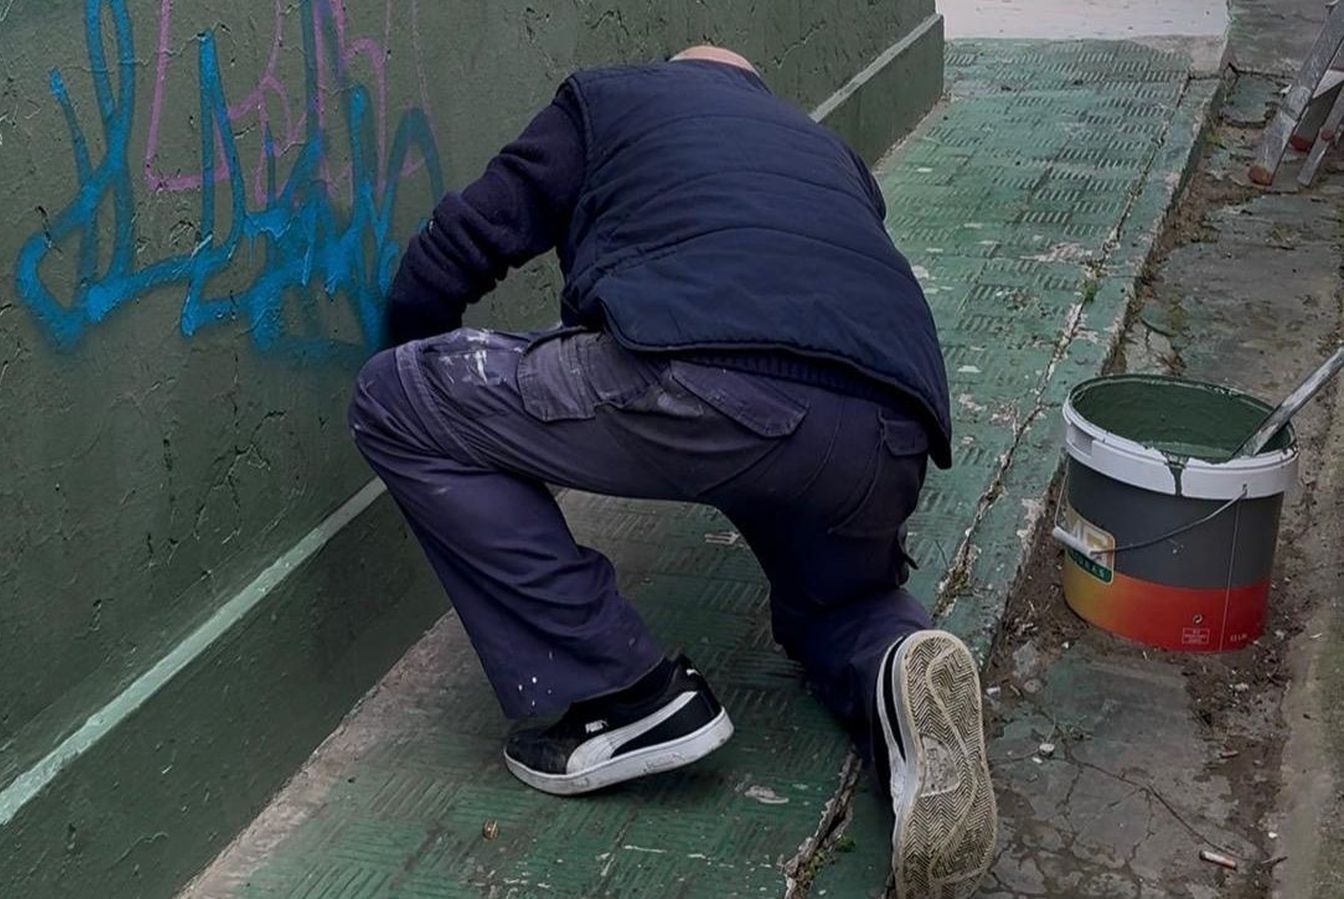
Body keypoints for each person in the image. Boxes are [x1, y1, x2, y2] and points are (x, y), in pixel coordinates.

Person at [349, 45, 996, 899]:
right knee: (839, 604)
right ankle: (897, 667)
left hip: (705, 384)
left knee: (395, 397)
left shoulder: (608, 100)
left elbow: (462, 243)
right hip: (888, 426)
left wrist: (421, 362)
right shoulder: (823, 150)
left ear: (673, 71)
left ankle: (617, 695)